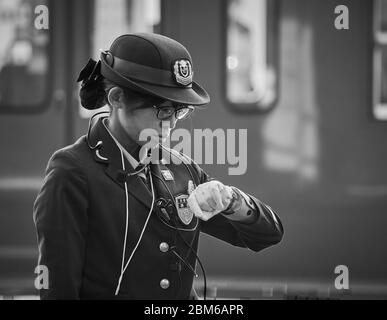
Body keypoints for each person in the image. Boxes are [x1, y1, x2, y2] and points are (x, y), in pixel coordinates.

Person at [33, 33, 283, 300]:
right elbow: (59, 288)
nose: (173, 121)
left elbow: (267, 235)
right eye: (163, 109)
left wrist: (231, 200)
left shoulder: (180, 168)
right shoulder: (73, 171)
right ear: (117, 98)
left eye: (180, 110)